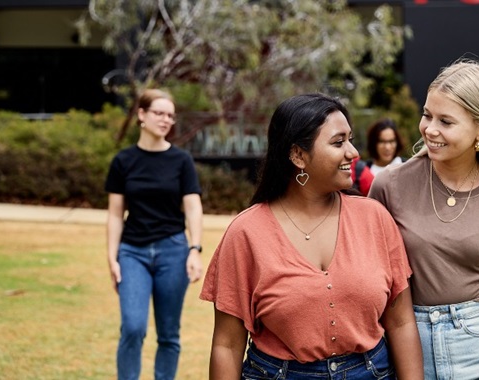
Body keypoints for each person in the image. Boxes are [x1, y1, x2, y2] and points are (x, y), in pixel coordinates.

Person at [200, 93, 423, 379]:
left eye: (350, 139)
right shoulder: (246, 233)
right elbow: (227, 345)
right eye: (338, 142)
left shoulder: (375, 218)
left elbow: (401, 323)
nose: (353, 153)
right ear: (298, 155)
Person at [369, 60, 479, 379]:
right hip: (407, 348)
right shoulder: (390, 186)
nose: (429, 129)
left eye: (446, 121)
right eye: (427, 115)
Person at [105, 89, 204, 380]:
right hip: (132, 252)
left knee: (169, 334)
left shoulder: (181, 161)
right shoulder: (123, 161)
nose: (166, 120)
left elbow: (193, 208)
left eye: (170, 115)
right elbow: (114, 214)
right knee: (133, 327)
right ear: (141, 115)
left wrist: (194, 249)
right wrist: (112, 258)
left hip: (173, 251)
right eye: (159, 113)